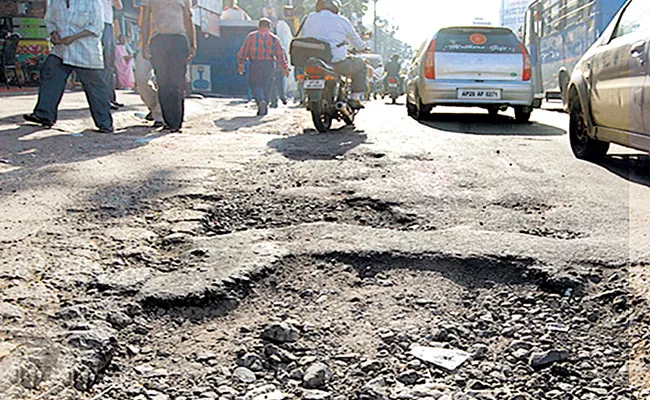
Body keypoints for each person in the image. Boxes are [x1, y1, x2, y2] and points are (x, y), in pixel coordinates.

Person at [23, 0, 113, 133]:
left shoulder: (92, 2)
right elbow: (50, 21)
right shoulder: (55, 2)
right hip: (62, 49)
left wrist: (73, 37)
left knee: (95, 87)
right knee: (51, 73)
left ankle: (105, 123)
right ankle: (44, 114)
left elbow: (96, 27)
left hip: (85, 50)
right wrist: (53, 34)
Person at [300, 0, 368, 109]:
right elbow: (356, 40)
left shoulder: (309, 18)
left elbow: (303, 36)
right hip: (336, 62)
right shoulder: (341, 20)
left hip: (313, 60)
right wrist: (363, 47)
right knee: (361, 65)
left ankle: (308, 98)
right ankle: (355, 98)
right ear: (335, 8)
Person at [141, 0, 197, 133]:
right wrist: (144, 43)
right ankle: (168, 121)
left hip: (179, 39)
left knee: (176, 82)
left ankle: (176, 122)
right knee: (163, 82)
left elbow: (188, 19)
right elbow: (145, 20)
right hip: (158, 39)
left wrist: (193, 44)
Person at [237, 18, 289, 116]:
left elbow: (243, 51)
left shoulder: (251, 37)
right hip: (269, 65)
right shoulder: (274, 38)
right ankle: (265, 102)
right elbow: (280, 54)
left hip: (255, 64)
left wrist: (241, 64)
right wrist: (285, 67)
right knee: (267, 85)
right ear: (269, 27)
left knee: (254, 84)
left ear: (259, 26)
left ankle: (260, 101)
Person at [134, 6, 163, 127]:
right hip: (146, 45)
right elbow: (143, 24)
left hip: (166, 44)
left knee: (163, 81)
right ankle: (154, 107)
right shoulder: (146, 5)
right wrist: (144, 45)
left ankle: (159, 115)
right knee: (141, 79)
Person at [101, 0, 123, 110]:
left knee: (108, 65)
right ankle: (106, 99)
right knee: (106, 65)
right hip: (102, 24)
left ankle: (110, 98)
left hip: (107, 24)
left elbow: (119, 6)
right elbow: (119, 6)